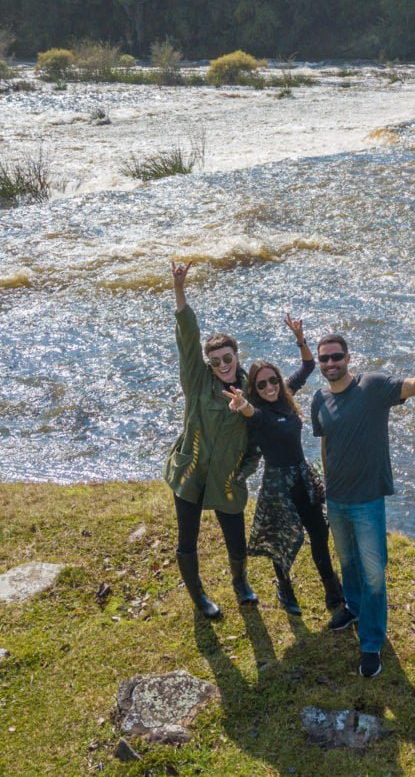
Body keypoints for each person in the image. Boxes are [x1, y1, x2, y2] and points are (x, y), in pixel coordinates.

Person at [311, 320, 415, 678]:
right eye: (324, 359)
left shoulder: (371, 386)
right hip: (337, 500)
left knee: (373, 575)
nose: (330, 363)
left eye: (336, 356)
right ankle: (353, 608)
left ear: (348, 357)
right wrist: (327, 487)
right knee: (349, 565)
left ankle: (371, 642)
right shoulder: (319, 398)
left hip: (368, 500)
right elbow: (326, 442)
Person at [223, 315, 343, 617]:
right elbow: (253, 413)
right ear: (254, 387)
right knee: (281, 537)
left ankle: (331, 585)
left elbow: (308, 367)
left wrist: (300, 338)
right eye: (261, 384)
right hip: (278, 484)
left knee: (319, 531)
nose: (269, 386)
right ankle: (284, 586)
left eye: (273, 380)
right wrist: (244, 405)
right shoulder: (258, 412)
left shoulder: (285, 394)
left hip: (302, 476)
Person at [163, 261, 260, 619]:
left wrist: (243, 471)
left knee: (236, 536)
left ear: (237, 356)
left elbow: (258, 441)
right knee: (187, 539)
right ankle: (200, 597)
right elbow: (188, 336)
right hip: (190, 470)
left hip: (227, 477)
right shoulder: (197, 381)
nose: (222, 364)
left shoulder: (252, 389)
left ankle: (240, 583)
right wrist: (179, 288)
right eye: (215, 360)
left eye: (227, 358)